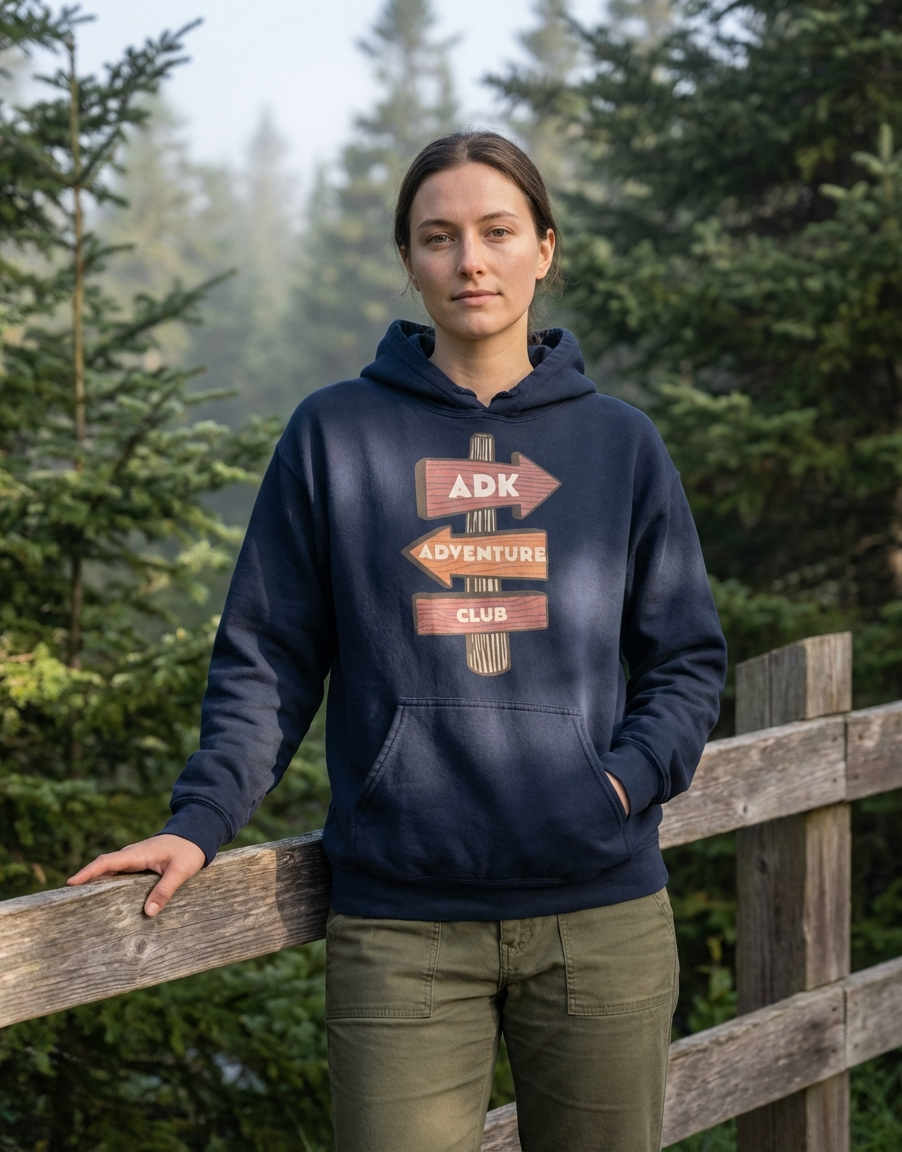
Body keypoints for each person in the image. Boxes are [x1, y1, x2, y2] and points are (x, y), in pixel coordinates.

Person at [69, 130, 727, 1152]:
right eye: (439, 236)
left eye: (497, 231)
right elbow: (270, 657)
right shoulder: (335, 434)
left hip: (598, 916)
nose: (470, 260)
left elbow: (685, 656)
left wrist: (621, 783)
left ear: (543, 249)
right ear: (409, 261)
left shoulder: (620, 444)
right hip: (401, 929)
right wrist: (199, 821)